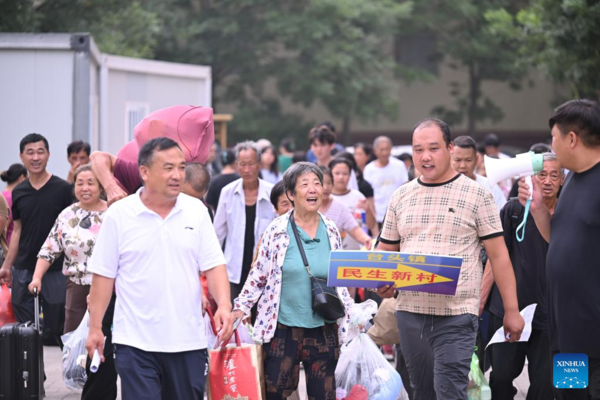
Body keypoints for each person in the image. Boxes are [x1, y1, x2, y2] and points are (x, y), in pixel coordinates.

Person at [375, 119, 524, 400]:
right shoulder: (401, 196)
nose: (425, 156)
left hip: (457, 315)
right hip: (409, 313)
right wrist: (380, 280)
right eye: (418, 150)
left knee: (450, 391)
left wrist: (511, 310)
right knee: (422, 392)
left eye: (433, 148)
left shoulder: (477, 194)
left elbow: (499, 255)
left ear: (450, 148)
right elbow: (386, 251)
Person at [85, 137, 233, 400]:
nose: (177, 175)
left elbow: (214, 264)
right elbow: (103, 277)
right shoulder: (120, 215)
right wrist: (95, 328)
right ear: (144, 172)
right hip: (135, 341)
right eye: (168, 168)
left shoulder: (196, 211)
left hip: (188, 341)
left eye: (181, 167)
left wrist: (223, 305)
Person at [231, 162, 354, 399]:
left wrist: (350, 312)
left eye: (317, 184)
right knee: (276, 393)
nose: (313, 190)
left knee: (324, 395)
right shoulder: (276, 231)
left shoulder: (331, 230)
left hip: (323, 329)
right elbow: (258, 274)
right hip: (283, 330)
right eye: (305, 184)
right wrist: (241, 307)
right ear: (290, 194)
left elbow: (339, 280)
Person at [518, 99, 600, 400]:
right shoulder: (574, 182)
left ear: (572, 138)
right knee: (569, 396)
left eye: (553, 137)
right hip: (566, 333)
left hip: (595, 339)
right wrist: (538, 210)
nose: (551, 146)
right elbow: (560, 240)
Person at [480, 153, 563, 399]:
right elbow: (496, 259)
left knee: (545, 385)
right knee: (502, 376)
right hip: (508, 310)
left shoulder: (568, 212)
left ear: (562, 180)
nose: (547, 181)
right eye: (542, 174)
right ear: (531, 178)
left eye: (554, 175)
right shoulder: (514, 209)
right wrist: (481, 301)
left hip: (551, 315)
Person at [0, 134, 73, 348]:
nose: (35, 157)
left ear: (48, 155)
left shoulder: (63, 189)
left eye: (40, 152)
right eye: (30, 152)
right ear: (22, 157)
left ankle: (70, 374)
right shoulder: (19, 192)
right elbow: (18, 231)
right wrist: (7, 265)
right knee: (24, 329)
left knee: (58, 324)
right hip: (24, 268)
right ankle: (33, 375)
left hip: (55, 269)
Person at [27, 165, 107, 333]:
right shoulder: (67, 215)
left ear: (101, 186)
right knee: (73, 340)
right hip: (76, 286)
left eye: (91, 183)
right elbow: (49, 248)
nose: (85, 188)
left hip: (107, 288)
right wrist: (37, 278)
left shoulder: (113, 213)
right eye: (80, 183)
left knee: (105, 342)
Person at [214, 141, 275, 302]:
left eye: (251, 164)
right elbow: (218, 232)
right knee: (235, 318)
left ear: (259, 165)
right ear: (236, 165)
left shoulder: (271, 192)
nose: (247, 170)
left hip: (264, 270)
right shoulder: (228, 193)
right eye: (242, 164)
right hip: (234, 269)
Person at [319, 166, 371, 250]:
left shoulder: (339, 207)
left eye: (329, 183)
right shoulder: (306, 206)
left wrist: (366, 239)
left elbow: (353, 228)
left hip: (334, 256)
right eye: (321, 183)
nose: (325, 188)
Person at [329, 158, 377, 248]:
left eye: (345, 174)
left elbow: (371, 225)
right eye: (337, 173)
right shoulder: (325, 198)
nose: (341, 177)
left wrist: (368, 211)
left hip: (355, 251)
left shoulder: (358, 197)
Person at [451, 135, 507, 211]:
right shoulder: (442, 187)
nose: (463, 166)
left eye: (468, 160)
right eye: (458, 160)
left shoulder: (490, 187)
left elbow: (502, 216)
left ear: (476, 160)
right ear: (450, 159)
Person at [363, 136, 409, 225]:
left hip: (397, 214)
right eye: (381, 149)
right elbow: (368, 195)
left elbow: (405, 186)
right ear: (375, 150)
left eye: (387, 149)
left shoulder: (399, 166)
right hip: (378, 216)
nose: (385, 153)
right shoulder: (369, 169)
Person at [1, 163, 28, 245]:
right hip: (8, 247)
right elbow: (5, 226)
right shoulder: (11, 198)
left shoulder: (3, 194)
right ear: (22, 178)